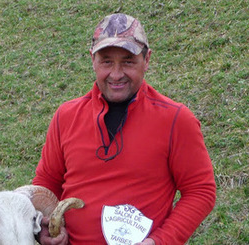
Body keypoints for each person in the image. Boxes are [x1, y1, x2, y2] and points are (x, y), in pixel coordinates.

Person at [33, 13, 216, 245]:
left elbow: (201, 191)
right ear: (92, 60)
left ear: (147, 60)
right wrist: (46, 229)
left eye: (128, 61)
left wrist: (159, 241)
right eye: (106, 61)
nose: (116, 74)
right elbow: (46, 184)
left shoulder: (176, 119)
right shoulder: (66, 117)